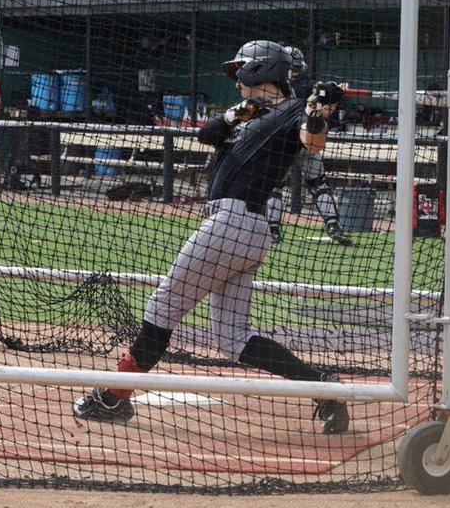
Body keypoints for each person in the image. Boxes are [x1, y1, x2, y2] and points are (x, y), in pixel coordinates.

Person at [71, 40, 351, 434]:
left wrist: (321, 111)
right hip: (246, 231)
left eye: (241, 72)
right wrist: (244, 111)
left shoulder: (295, 112)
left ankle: (114, 398)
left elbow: (312, 141)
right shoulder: (254, 112)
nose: (237, 82)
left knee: (162, 309)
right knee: (233, 338)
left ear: (260, 71)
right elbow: (206, 134)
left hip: (232, 224)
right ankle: (322, 386)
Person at [265, 46, 354, 246]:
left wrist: (332, 89)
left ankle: (274, 230)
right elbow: (325, 95)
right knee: (318, 184)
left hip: (283, 141)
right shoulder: (311, 86)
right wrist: (335, 89)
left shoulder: (274, 86)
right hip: (307, 138)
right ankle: (333, 226)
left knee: (275, 187)